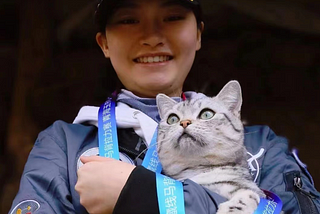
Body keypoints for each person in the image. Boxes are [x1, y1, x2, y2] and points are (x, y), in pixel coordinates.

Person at [9, 0, 320, 213]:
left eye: (172, 17)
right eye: (129, 20)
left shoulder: (262, 146)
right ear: (103, 43)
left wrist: (145, 195)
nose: (152, 37)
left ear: (198, 34)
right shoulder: (62, 145)